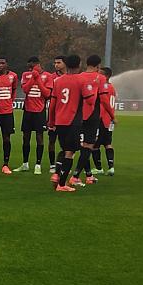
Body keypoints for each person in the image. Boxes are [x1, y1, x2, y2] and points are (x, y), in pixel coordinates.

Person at [48, 54, 94, 192]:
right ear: (79, 64)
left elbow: (53, 103)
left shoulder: (58, 81)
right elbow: (90, 100)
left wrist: (51, 121)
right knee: (70, 152)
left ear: (66, 65)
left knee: (65, 149)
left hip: (59, 121)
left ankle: (57, 175)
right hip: (73, 121)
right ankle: (62, 184)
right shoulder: (82, 80)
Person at [68, 54, 106, 186]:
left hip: (78, 116)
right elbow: (104, 99)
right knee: (88, 146)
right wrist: (112, 116)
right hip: (92, 116)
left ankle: (89, 175)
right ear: (98, 65)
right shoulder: (100, 78)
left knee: (82, 146)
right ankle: (76, 175)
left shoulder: (79, 77)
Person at [15, 56, 53, 174]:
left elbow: (47, 94)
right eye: (29, 67)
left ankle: (38, 164)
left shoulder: (48, 76)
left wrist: (38, 80)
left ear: (38, 64)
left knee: (39, 137)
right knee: (26, 137)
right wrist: (33, 77)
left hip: (40, 110)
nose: (30, 68)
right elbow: (25, 90)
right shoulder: (26, 75)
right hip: (28, 110)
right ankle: (25, 163)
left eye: (32, 66)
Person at [97, 66, 117, 175]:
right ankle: (111, 167)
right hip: (110, 120)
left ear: (106, 76)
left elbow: (103, 104)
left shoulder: (104, 87)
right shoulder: (112, 87)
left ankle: (99, 168)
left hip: (103, 119)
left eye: (100, 74)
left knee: (95, 144)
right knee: (108, 143)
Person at [48, 55, 66, 172]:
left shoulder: (71, 76)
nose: (56, 65)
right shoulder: (52, 77)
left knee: (65, 142)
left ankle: (64, 164)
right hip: (54, 111)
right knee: (51, 140)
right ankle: (52, 165)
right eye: (55, 63)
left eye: (58, 62)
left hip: (66, 113)